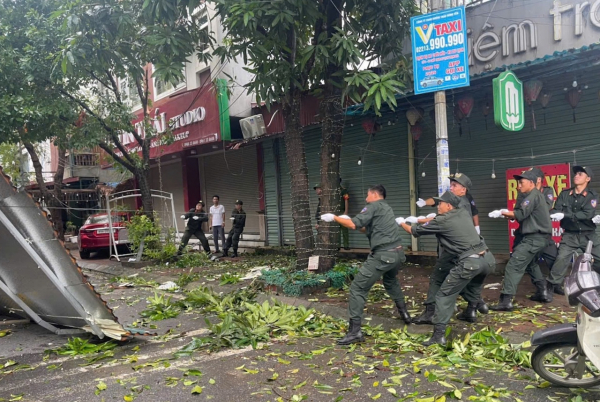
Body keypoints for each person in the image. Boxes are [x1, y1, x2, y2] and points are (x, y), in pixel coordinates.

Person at [399, 191, 495, 345]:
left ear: (449, 206)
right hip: (488, 260)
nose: (438, 206)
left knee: (444, 295)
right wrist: (422, 219)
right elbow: (435, 219)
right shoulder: (462, 212)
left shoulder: (442, 220)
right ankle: (477, 304)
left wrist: (401, 223)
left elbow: (414, 231)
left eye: (440, 203)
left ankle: (438, 335)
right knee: (469, 285)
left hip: (470, 262)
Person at [320, 184, 411, 345]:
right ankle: (405, 314)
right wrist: (346, 220)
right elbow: (363, 228)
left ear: (375, 195)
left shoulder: (373, 205)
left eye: (367, 195)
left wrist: (334, 217)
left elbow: (354, 225)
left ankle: (355, 332)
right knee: (391, 281)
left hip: (383, 255)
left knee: (357, 288)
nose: (366, 198)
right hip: (397, 254)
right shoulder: (386, 208)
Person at [412, 173, 487, 324]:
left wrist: (420, 220)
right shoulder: (459, 201)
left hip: (453, 250)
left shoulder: (462, 203)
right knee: (459, 279)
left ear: (463, 189)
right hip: (463, 249)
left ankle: (431, 313)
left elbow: (443, 220)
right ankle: (474, 305)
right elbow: (438, 203)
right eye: (451, 184)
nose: (451, 188)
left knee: (439, 278)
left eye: (454, 185)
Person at [488, 169, 552, 311]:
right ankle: (543, 292)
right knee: (530, 263)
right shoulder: (530, 195)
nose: (518, 185)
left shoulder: (532, 195)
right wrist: (506, 214)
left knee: (514, 264)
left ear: (531, 183)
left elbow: (521, 214)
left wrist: (502, 212)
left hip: (534, 238)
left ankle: (506, 301)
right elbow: (520, 214)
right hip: (537, 237)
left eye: (521, 182)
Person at [546, 166, 600, 299]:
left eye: (580, 174)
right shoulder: (565, 194)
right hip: (570, 234)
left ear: (588, 179)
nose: (576, 175)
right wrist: (556, 214)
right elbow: (554, 210)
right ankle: (550, 287)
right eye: (576, 173)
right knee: (561, 259)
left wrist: (564, 215)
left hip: (588, 235)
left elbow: (587, 213)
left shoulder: (592, 196)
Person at [512, 167, 556, 302]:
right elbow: (518, 211)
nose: (520, 186)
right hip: (525, 231)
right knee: (528, 261)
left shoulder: (545, 191)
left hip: (540, 231)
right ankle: (542, 289)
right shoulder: (523, 193)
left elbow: (545, 206)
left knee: (554, 258)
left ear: (537, 180)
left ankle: (553, 287)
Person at [340, 179, 350, 250]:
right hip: (335, 212)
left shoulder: (343, 190)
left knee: (344, 229)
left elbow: (346, 200)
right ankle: (337, 246)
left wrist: (346, 211)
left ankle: (346, 245)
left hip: (342, 211)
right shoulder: (332, 190)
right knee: (336, 230)